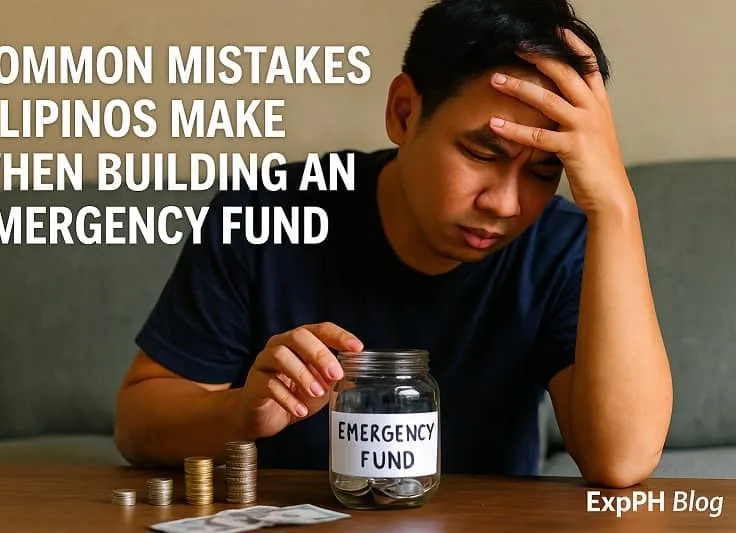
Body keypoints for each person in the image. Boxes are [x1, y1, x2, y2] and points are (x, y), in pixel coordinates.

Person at [114, 0, 673, 488]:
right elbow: (138, 425)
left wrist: (615, 208)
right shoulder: (266, 212)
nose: (505, 203)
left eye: (545, 172)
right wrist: (240, 413)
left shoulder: (563, 246)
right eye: (481, 154)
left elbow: (620, 461)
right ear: (404, 112)